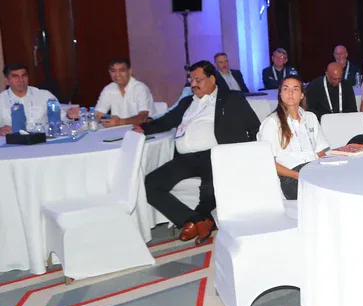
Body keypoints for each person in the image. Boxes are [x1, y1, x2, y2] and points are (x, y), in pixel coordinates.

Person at [140, 60, 260, 244]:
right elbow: (166, 121)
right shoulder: (187, 102)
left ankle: (196, 222)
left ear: (212, 79)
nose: (193, 84)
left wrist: (245, 155)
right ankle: (196, 221)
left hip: (215, 154)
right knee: (150, 184)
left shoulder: (231, 98)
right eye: (191, 80)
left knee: (208, 189)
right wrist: (143, 128)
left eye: (198, 80)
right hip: (185, 158)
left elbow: (254, 127)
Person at [258, 75, 329, 200]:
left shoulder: (310, 117)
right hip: (291, 176)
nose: (290, 93)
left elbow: (320, 152)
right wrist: (298, 175)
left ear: (302, 95)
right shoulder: (272, 122)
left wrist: (329, 167)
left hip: (313, 170)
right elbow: (269, 162)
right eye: (286, 89)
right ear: (280, 94)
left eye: (295, 89)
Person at [77, 58, 156, 127]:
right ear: (109, 72)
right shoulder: (108, 89)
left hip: (145, 130)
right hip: (119, 130)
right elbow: (99, 114)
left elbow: (143, 117)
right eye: (113, 71)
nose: (117, 74)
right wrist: (84, 115)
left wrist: (119, 122)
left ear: (130, 71)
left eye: (122, 70)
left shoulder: (140, 88)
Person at [0, 63, 58, 135]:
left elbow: (61, 120)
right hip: (13, 140)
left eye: (24, 75)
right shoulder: (1, 99)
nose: (21, 80)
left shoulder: (45, 96)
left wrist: (69, 116)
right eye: (15, 76)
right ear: (7, 81)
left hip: (44, 139)